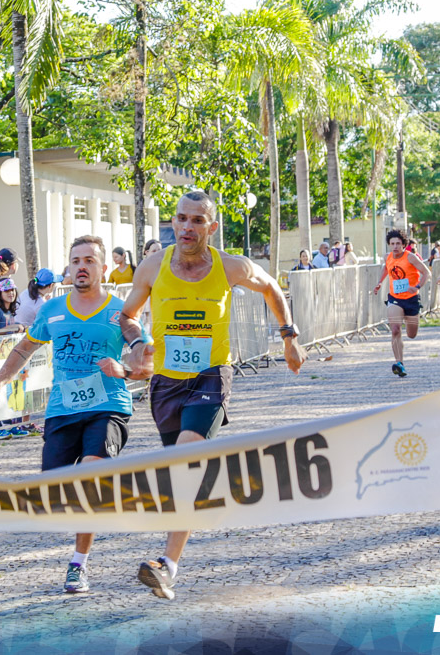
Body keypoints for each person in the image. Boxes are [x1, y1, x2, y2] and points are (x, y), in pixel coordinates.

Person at [120, 190, 306, 600]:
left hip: (210, 376)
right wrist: (136, 344)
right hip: (166, 382)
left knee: (187, 459)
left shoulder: (230, 266)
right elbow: (128, 316)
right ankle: (167, 572)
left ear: (212, 227)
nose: (187, 228)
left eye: (197, 221)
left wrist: (289, 338)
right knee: (181, 476)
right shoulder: (154, 266)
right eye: (181, 219)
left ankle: (167, 563)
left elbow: (273, 287)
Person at [0, 235, 152, 594]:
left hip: (107, 407)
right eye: (75, 261)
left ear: (103, 268)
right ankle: (96, 502)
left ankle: (78, 564)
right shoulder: (51, 311)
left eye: (89, 260)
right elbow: (24, 350)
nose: (81, 266)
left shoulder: (120, 312)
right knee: (52, 490)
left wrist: (125, 370)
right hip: (63, 409)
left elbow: (146, 366)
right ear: (68, 268)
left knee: (89, 475)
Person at [373, 229, 430, 378]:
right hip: (395, 298)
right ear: (389, 245)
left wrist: (417, 287)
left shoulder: (410, 257)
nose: (395, 246)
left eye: (398, 243)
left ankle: (401, 358)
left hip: (411, 300)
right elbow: (386, 268)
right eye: (392, 244)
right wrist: (379, 283)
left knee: (411, 334)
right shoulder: (387, 257)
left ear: (404, 245)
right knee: (396, 330)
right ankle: (399, 363)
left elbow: (427, 273)